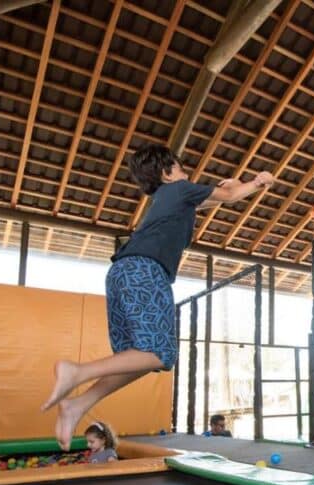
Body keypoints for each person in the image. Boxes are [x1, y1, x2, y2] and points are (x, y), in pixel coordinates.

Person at [41, 144, 274, 448]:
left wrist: (226, 188)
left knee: (138, 359)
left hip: (122, 273)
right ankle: (77, 372)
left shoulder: (169, 199)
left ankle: (77, 405)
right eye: (180, 167)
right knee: (160, 354)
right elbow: (228, 197)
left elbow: (206, 201)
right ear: (167, 173)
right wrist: (256, 182)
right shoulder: (178, 189)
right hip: (146, 272)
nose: (185, 172)